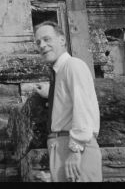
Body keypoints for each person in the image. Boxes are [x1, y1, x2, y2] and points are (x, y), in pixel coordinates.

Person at [34, 21, 102, 182]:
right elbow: (65, 103)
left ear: (62, 40)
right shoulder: (60, 72)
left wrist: (75, 150)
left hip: (76, 147)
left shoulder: (73, 65)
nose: (42, 45)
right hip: (61, 146)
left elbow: (83, 107)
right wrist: (50, 93)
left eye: (47, 39)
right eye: (38, 42)